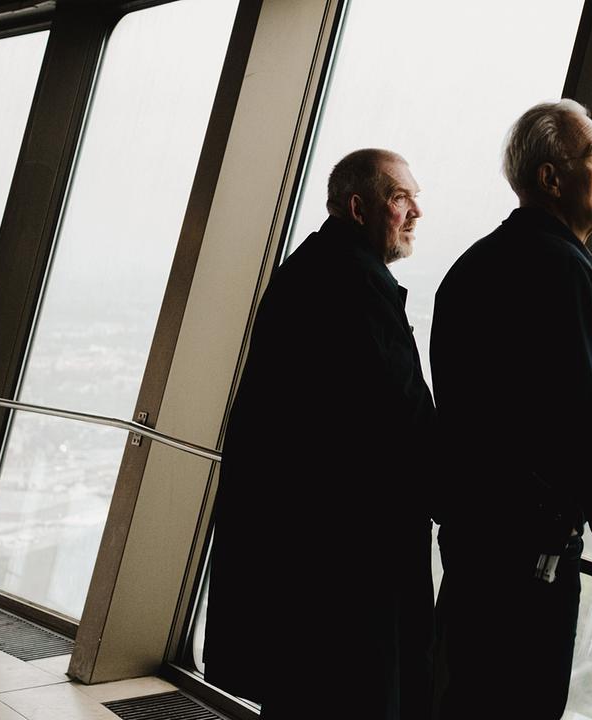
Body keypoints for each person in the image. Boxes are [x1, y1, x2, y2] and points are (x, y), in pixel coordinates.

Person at [430, 100, 592, 719]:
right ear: (551, 178)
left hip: (472, 550)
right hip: (527, 565)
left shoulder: (468, 269)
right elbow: (588, 427)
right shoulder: (565, 274)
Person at [204, 149, 436, 719]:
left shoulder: (311, 269)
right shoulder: (356, 286)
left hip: (302, 558)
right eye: (401, 198)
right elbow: (399, 416)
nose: (415, 213)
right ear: (359, 208)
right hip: (347, 564)